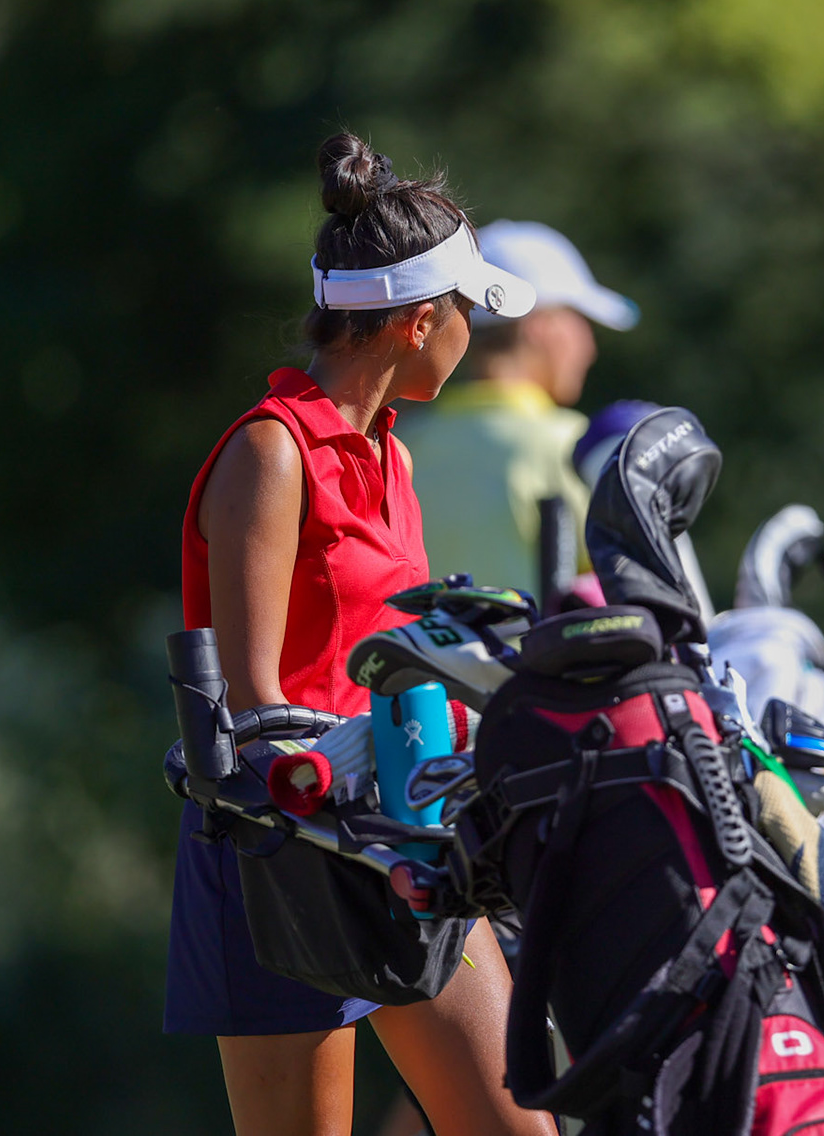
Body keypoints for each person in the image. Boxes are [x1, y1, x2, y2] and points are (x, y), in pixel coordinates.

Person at [164, 132, 558, 1136]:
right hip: (279, 847)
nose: (474, 331)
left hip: (407, 825)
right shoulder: (271, 450)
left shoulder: (396, 461)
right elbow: (258, 705)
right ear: (419, 321)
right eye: (467, 311)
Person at [396, 220, 639, 594]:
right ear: (539, 326)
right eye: (580, 320)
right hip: (529, 653)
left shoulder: (401, 443)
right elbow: (622, 589)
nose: (589, 348)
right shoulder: (576, 445)